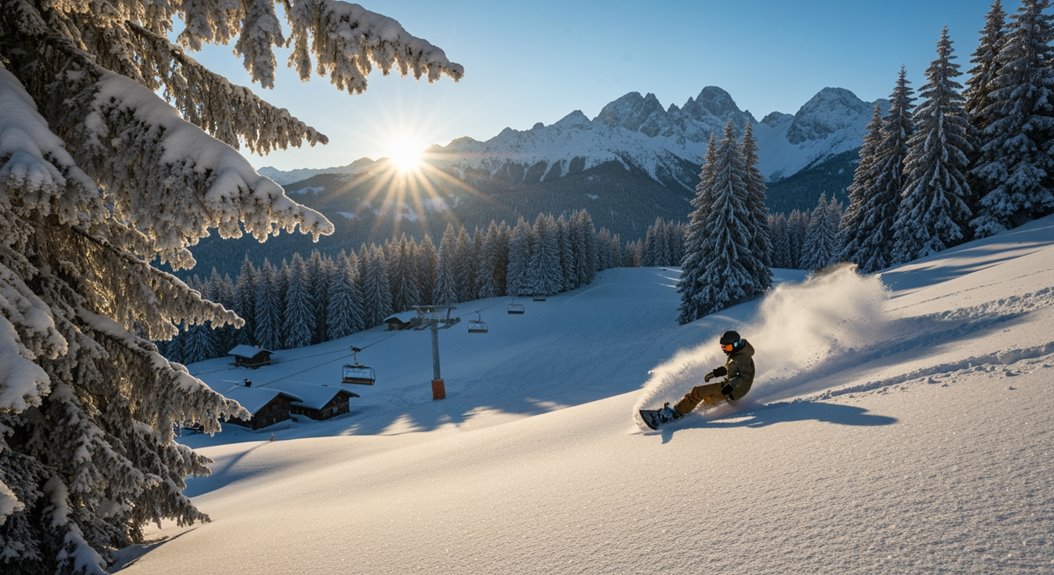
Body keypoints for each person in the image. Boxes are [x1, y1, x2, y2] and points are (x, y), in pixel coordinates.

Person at [658, 330, 755, 423]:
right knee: (708, 399)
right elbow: (733, 367)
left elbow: (744, 376)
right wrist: (716, 373)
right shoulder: (737, 353)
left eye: (728, 348)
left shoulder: (742, 358)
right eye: (723, 348)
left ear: (735, 344)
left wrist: (730, 386)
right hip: (735, 390)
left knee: (697, 392)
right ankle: (692, 414)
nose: (725, 350)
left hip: (732, 389)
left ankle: (676, 413)